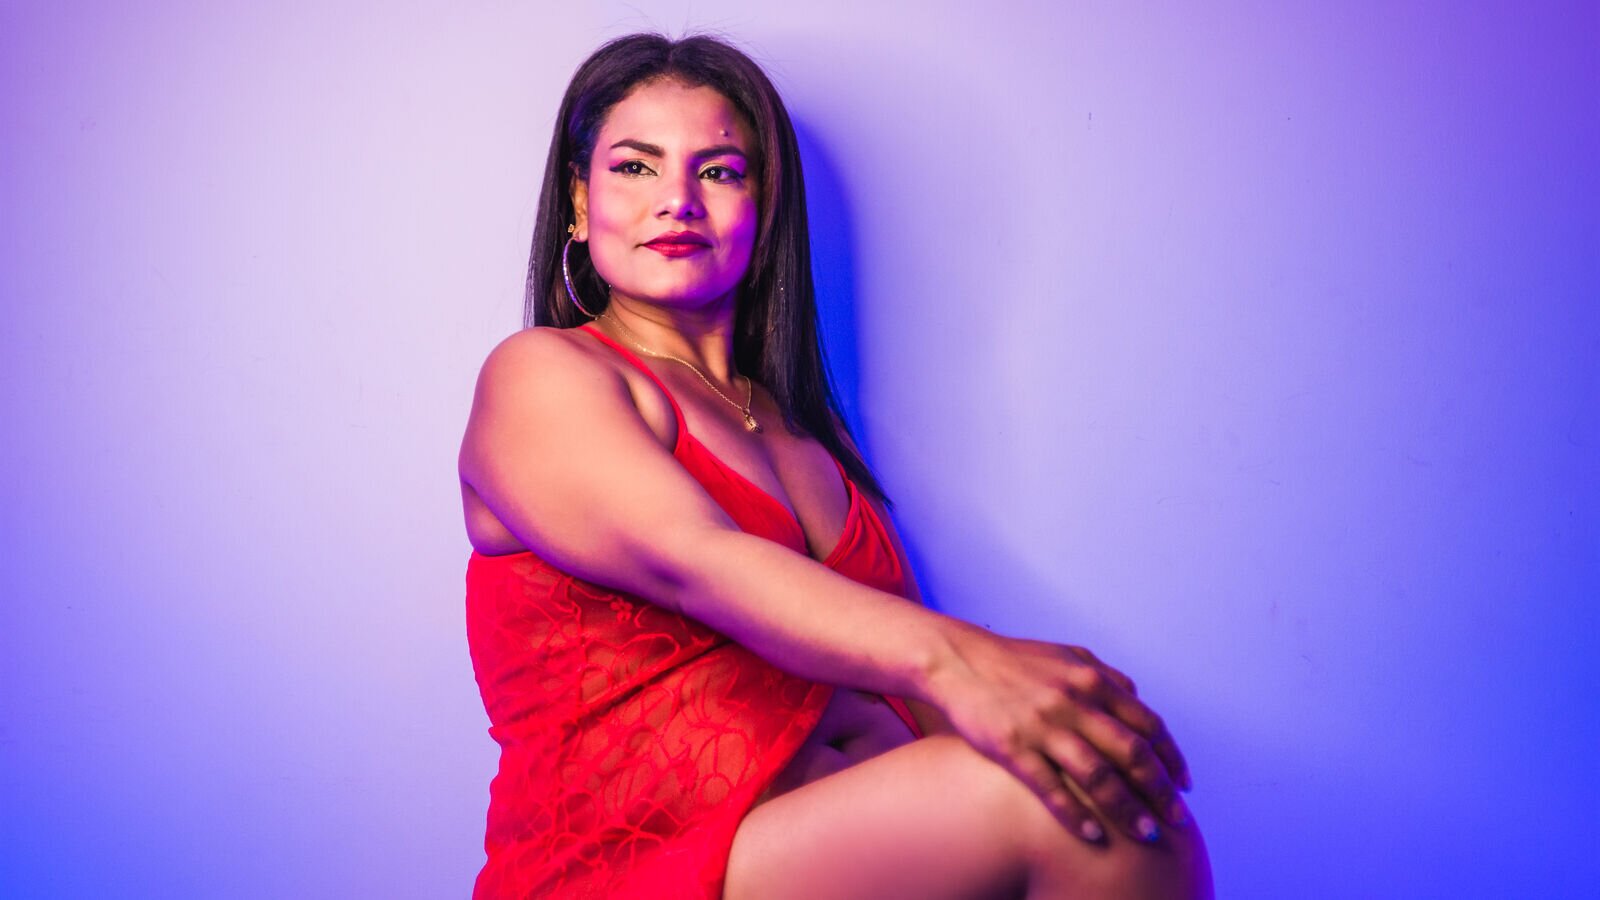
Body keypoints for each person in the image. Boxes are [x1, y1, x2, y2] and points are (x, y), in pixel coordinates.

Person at [458, 31, 1213, 899]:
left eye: (718, 171)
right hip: (628, 871)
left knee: (1103, 792)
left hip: (826, 861)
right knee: (1060, 808)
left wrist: (1050, 728)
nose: (677, 201)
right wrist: (967, 660)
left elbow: (918, 705)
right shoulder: (544, 374)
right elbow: (693, 559)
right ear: (580, 203)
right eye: (635, 167)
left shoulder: (806, 435)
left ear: (764, 206)